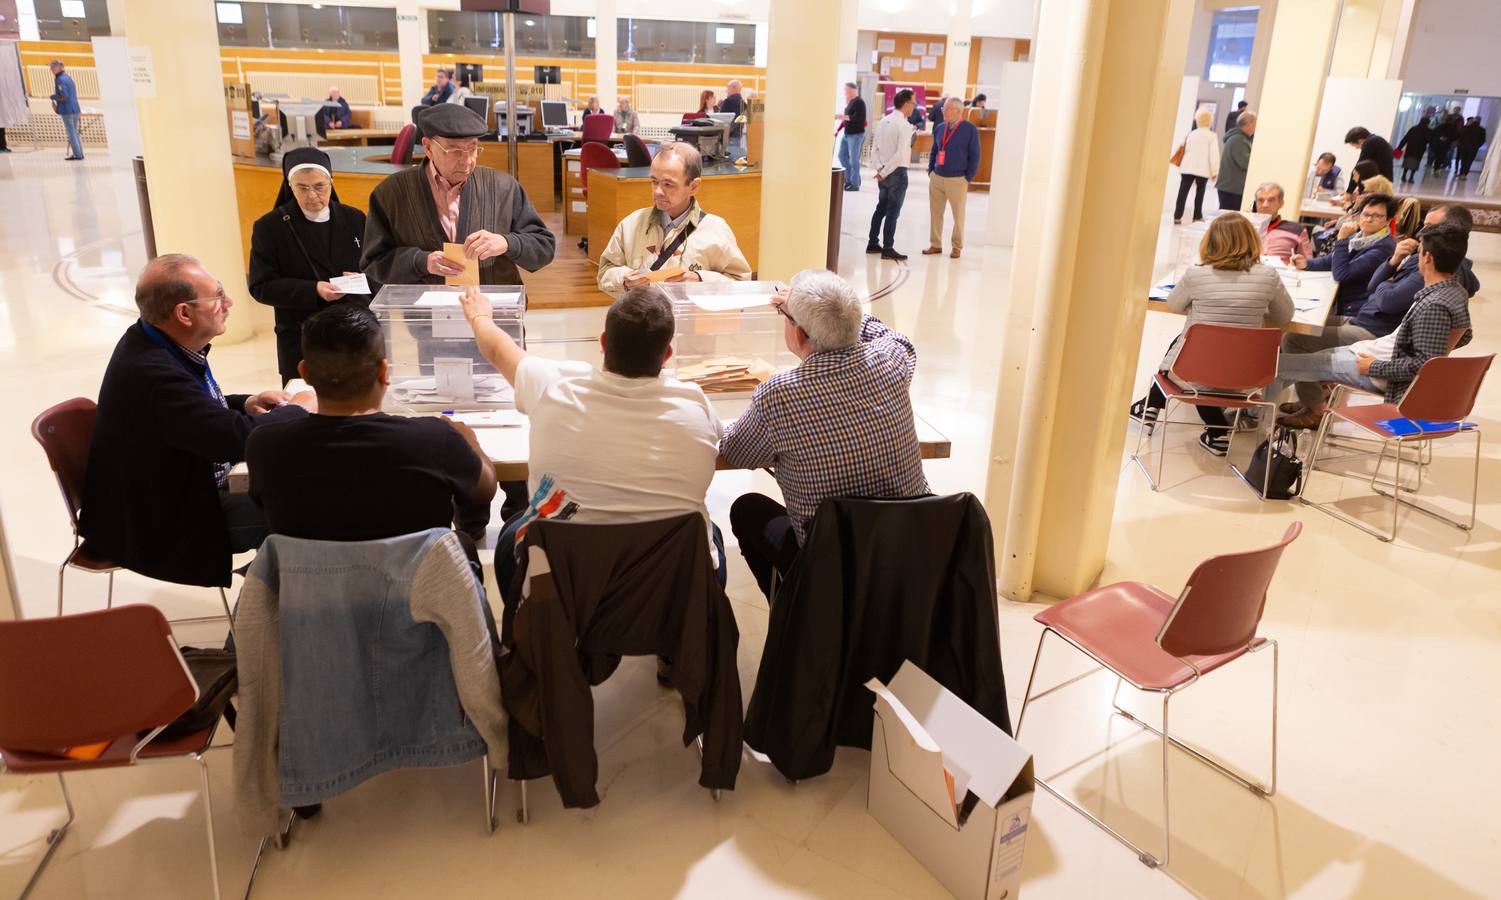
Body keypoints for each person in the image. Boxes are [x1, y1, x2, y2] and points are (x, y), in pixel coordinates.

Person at [455, 284, 728, 588]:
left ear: (603, 342)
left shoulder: (554, 384)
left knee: (513, 535)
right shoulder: (694, 401)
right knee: (709, 532)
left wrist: (479, 316)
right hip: (671, 593)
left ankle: (534, 629)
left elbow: (494, 348)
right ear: (667, 355)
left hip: (569, 594)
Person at [78, 254, 316, 588]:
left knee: (298, 496)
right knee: (310, 511)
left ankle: (266, 603)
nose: (229, 302)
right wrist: (300, 408)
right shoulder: (152, 373)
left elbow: (191, 415)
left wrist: (244, 404)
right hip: (167, 519)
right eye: (218, 296)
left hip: (175, 492)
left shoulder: (151, 341)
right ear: (184, 313)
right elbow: (236, 441)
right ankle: (255, 626)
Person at [720, 270, 928, 599]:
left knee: (747, 509)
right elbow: (894, 336)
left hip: (831, 563)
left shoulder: (780, 395)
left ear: (799, 334)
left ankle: (795, 617)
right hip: (909, 551)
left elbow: (736, 452)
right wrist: (836, 311)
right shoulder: (892, 361)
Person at [246, 304, 497, 546]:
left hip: (309, 587)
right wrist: (468, 439)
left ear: (304, 373)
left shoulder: (265, 445)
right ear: (384, 372)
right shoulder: (434, 438)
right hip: (416, 586)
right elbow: (485, 489)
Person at [1271, 222, 1473, 429]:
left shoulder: (1433, 306)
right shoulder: (1455, 291)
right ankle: (1302, 407)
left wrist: (1375, 366)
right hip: (1378, 354)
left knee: (1280, 366)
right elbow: (1465, 335)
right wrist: (1439, 342)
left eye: (1419, 252)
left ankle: (1253, 417)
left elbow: (1422, 365)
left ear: (1427, 257)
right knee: (1295, 357)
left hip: (1380, 370)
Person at [1129, 214, 1293, 456]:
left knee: (1189, 339)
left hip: (1195, 372)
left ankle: (1157, 408)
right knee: (1203, 343)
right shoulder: (1268, 276)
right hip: (1248, 374)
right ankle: (1156, 409)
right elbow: (1284, 316)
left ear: (1210, 242)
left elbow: (1174, 304)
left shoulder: (1197, 274)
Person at [362, 104, 554, 288]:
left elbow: (544, 247)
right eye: (454, 151)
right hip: (428, 314)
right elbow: (374, 262)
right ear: (428, 147)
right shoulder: (391, 193)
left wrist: (506, 242)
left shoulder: (504, 188)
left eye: (473, 148)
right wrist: (421, 261)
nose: (467, 161)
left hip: (492, 311)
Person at [1280, 204, 1480, 367]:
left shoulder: (1432, 267)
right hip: (1365, 319)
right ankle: (1312, 394)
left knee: (1294, 341)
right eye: (1365, 214)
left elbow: (1385, 300)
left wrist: (1343, 241)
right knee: (1305, 328)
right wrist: (1392, 262)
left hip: (1376, 334)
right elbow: (1372, 286)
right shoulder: (1402, 251)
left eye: (1429, 227)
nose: (1421, 232)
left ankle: (1312, 406)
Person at [248, 147, 373, 384]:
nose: (312, 195)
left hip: (354, 330)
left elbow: (376, 268)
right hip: (301, 334)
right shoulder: (270, 227)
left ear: (331, 183)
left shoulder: (354, 218)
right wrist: (314, 289)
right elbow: (261, 286)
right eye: (302, 188)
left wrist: (362, 279)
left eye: (319, 186)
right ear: (289, 186)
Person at [596, 141, 751, 295]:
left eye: (668, 184)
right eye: (654, 182)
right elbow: (605, 272)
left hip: (690, 318)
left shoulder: (716, 231)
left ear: (694, 187)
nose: (657, 192)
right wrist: (624, 278)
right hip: (642, 317)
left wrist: (700, 280)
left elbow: (741, 283)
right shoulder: (631, 224)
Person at [1293, 192, 1396, 318]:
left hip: (1354, 311)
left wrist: (1342, 239)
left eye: (1377, 216)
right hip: (1341, 301)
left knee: (1297, 330)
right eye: (1365, 214)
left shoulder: (1384, 247)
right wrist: (1306, 263)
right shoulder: (1361, 236)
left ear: (1388, 220)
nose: (1369, 219)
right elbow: (1332, 259)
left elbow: (1342, 275)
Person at [923, 98, 981, 259]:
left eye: (947, 109)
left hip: (958, 179)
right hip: (937, 177)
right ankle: (935, 244)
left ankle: (957, 246)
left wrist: (967, 178)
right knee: (935, 213)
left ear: (958, 111)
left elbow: (975, 156)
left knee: (958, 215)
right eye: (943, 109)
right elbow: (934, 150)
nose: (944, 112)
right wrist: (931, 171)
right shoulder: (940, 128)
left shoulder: (969, 130)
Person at [867, 89, 916, 261]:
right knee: (893, 211)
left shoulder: (883, 121)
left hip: (883, 173)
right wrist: (886, 171)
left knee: (881, 207)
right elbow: (900, 155)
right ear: (906, 104)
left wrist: (880, 170)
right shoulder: (904, 125)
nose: (914, 107)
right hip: (896, 173)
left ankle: (872, 242)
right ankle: (888, 247)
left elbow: (874, 150)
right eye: (913, 103)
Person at [1174, 108, 1220, 224]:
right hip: (1202, 170)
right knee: (1200, 193)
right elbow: (1213, 155)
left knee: (1182, 192)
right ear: (1210, 121)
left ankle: (1177, 216)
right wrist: (1214, 171)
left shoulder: (1191, 134)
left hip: (1187, 168)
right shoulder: (1212, 136)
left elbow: (1181, 149)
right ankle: (1197, 216)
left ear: (1197, 120)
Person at [1251, 183, 1312, 263]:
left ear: (1281, 204)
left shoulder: (1296, 229)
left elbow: (1308, 263)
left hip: (1281, 273)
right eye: (1260, 200)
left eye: (1271, 200)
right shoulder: (1245, 226)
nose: (1265, 205)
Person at [1218, 111, 1256, 213]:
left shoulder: (1240, 138)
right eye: (1255, 123)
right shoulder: (1238, 139)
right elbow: (1245, 163)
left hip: (1231, 187)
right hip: (1231, 189)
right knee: (1228, 221)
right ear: (1250, 124)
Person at [837, 82, 868, 191]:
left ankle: (855, 184)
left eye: (846, 90)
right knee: (841, 156)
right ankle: (849, 179)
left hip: (856, 135)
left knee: (854, 160)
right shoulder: (850, 102)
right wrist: (838, 130)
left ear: (851, 90)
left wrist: (843, 117)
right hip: (847, 134)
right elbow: (846, 119)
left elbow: (859, 118)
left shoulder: (859, 102)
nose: (845, 92)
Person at [49, 59, 83, 161]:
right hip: (75, 108)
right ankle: (79, 153)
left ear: (58, 67)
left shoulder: (60, 79)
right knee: (75, 132)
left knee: (71, 133)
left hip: (67, 110)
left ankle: (77, 155)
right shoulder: (68, 77)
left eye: (52, 67)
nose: (51, 69)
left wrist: (54, 97)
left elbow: (64, 96)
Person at [1395, 117, 1430, 184]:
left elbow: (1405, 138)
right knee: (1416, 163)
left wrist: (1399, 148)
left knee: (1407, 162)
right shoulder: (1427, 131)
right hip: (1420, 150)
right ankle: (1411, 177)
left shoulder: (1413, 129)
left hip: (1410, 148)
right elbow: (1429, 140)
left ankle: (1404, 175)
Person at [718, 79, 745, 159]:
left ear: (733, 87)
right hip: (738, 136)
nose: (727, 91)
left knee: (727, 162)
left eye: (727, 88)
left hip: (728, 137)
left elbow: (721, 120)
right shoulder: (743, 102)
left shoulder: (728, 101)